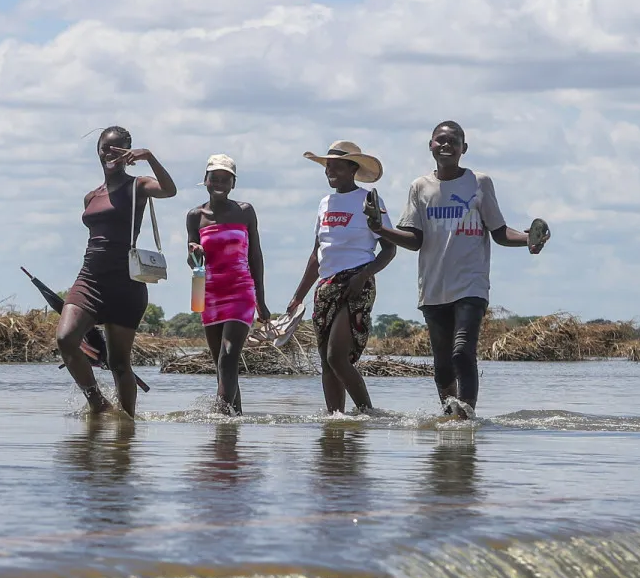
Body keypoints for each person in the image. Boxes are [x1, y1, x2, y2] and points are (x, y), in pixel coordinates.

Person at [367, 121, 549, 419]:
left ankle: (466, 418)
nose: (446, 145)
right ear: (431, 146)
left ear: (464, 148)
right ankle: (449, 416)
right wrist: (380, 229)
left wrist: (529, 239)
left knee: (462, 351)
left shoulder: (479, 183)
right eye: (441, 140)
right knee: (441, 364)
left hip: (471, 285)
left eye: (454, 141)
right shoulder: (420, 187)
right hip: (433, 287)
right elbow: (414, 240)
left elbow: (500, 232)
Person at [59, 125, 177, 416]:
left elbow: (169, 190)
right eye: (105, 148)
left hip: (126, 284)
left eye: (117, 148)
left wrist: (149, 156)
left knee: (120, 363)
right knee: (66, 339)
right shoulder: (91, 197)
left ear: (128, 152)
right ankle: (98, 405)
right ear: (98, 151)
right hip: (90, 279)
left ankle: (127, 427)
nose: (109, 153)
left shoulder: (138, 186)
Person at [288, 140, 396, 415]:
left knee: (337, 356)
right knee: (326, 360)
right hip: (326, 286)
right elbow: (317, 253)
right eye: (327, 167)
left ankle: (368, 414)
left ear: (352, 168)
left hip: (356, 283)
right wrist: (298, 295)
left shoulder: (369, 200)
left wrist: (365, 275)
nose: (329, 171)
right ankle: (335, 421)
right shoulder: (325, 203)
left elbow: (389, 249)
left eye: (336, 166)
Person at [185, 154, 268, 414]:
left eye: (226, 180)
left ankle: (221, 418)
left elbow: (255, 256)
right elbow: (193, 262)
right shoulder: (195, 216)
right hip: (208, 292)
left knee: (229, 354)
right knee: (221, 364)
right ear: (206, 181)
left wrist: (261, 301)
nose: (219, 184)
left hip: (240, 291)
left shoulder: (244, 212)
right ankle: (234, 424)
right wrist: (195, 253)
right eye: (215, 179)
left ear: (233, 183)